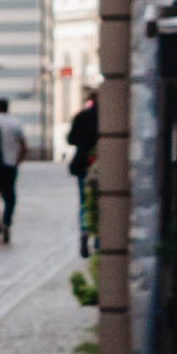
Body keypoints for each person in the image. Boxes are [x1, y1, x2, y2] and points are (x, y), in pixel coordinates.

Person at [0, 95, 28, 244]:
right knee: (10, 197)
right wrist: (19, 160)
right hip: (10, 164)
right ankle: (7, 221)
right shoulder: (15, 123)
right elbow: (23, 144)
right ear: (7, 107)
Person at [67, 87, 101, 255]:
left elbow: (71, 139)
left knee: (84, 201)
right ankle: (99, 240)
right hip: (102, 163)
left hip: (83, 165)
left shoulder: (81, 116)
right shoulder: (107, 117)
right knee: (103, 200)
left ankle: (85, 232)